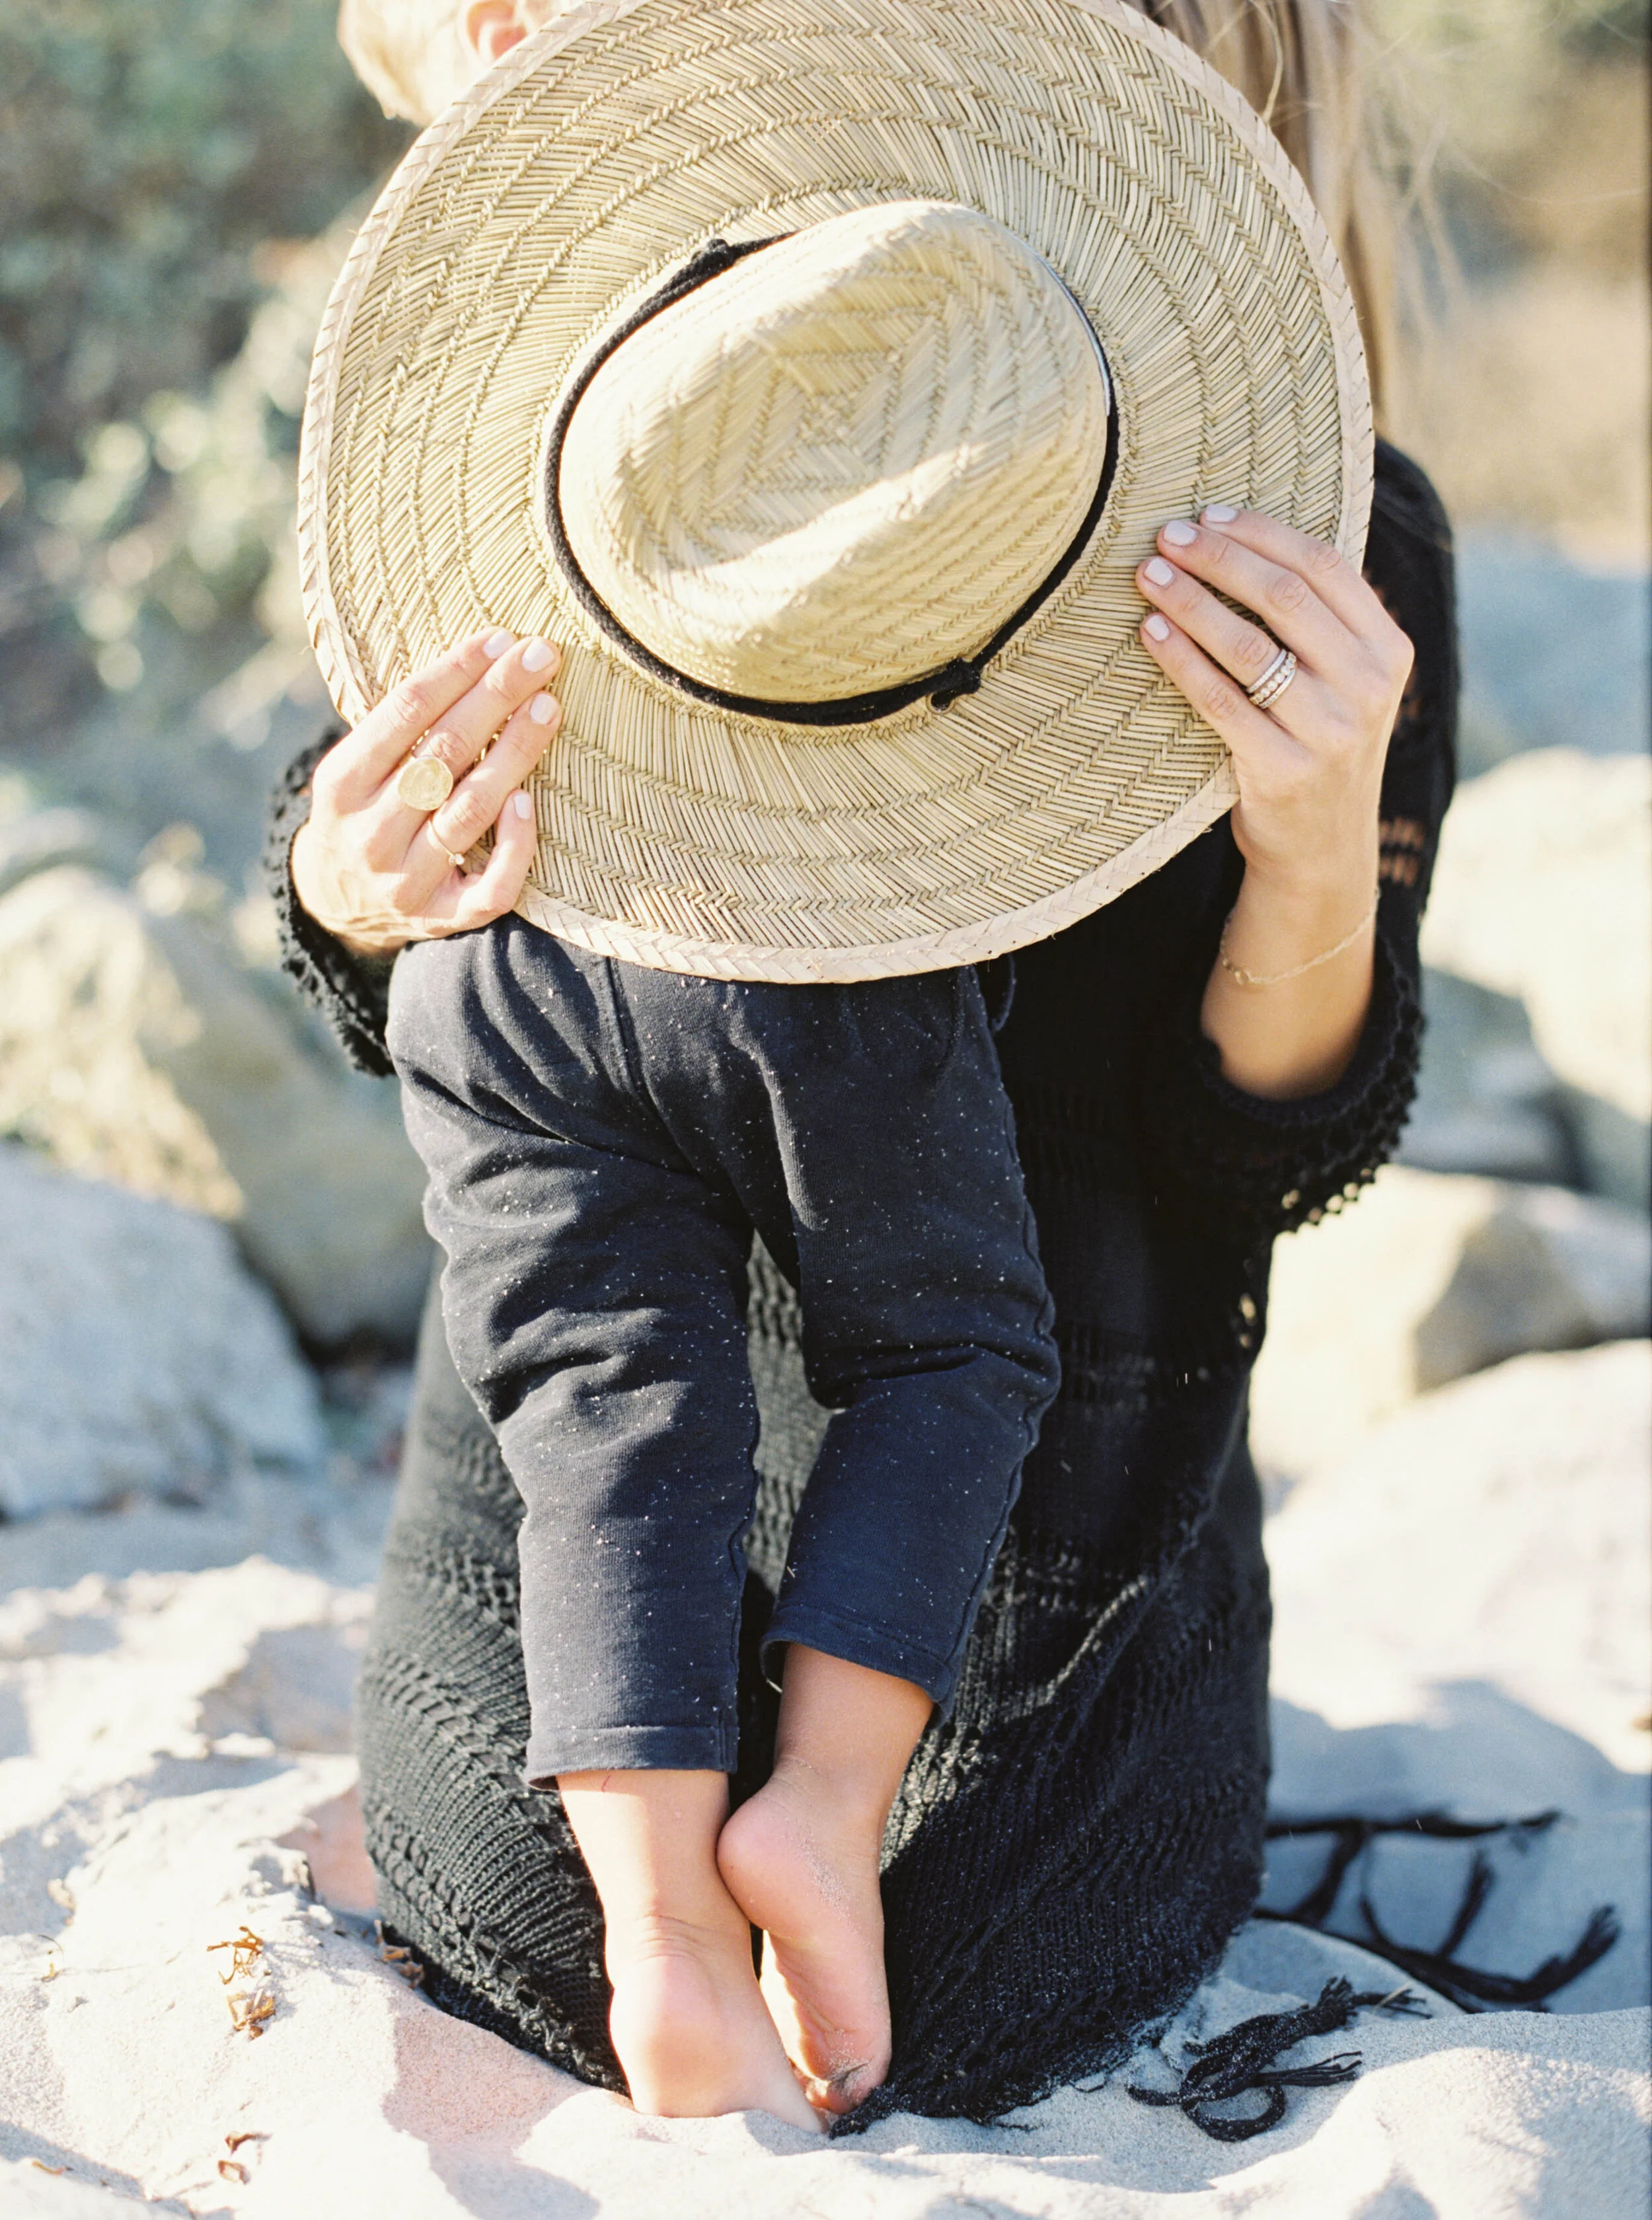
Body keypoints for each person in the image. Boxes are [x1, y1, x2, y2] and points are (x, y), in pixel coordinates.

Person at [269, 0, 1456, 2133]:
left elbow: (1263, 1148)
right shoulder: (629, 416)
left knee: (987, 1931)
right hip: (651, 1425)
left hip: (1058, 1469)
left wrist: (1306, 851)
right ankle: (723, 1847)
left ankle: (748, 1848)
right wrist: (355, 889)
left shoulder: (1342, 543)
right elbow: (429, 995)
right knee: (539, 1900)